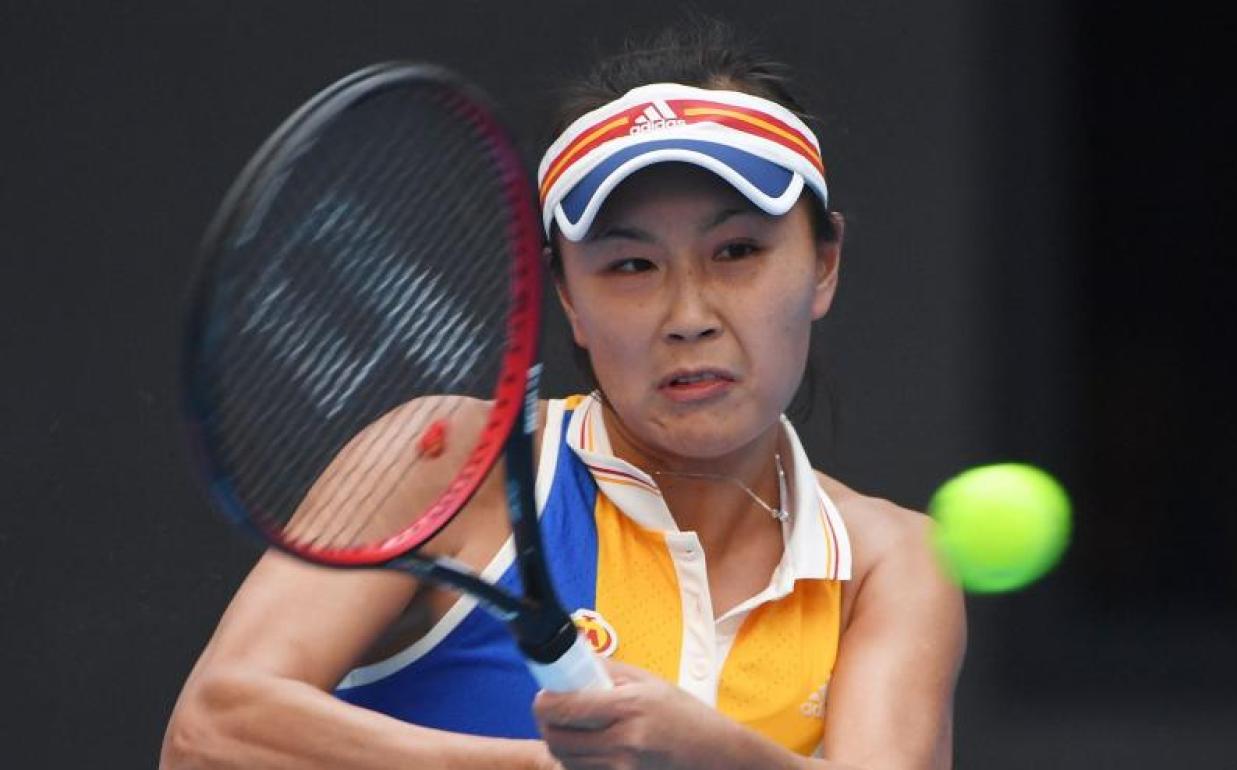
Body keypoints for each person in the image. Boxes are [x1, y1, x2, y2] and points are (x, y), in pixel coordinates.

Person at [161, 20, 965, 770]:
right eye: (631, 265)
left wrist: (713, 756)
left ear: (824, 263)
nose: (689, 316)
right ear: (569, 297)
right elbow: (209, 733)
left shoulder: (887, 565)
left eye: (737, 252)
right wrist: (530, 766)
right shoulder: (453, 461)